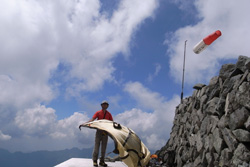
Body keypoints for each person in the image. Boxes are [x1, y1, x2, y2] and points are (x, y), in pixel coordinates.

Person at [79, 100, 113, 167]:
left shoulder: (109, 114)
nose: (105, 105)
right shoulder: (98, 113)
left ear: (107, 106)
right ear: (101, 105)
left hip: (105, 132)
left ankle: (102, 161)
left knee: (104, 148)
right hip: (99, 131)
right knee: (96, 147)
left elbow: (112, 123)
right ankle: (95, 161)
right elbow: (92, 120)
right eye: (103, 104)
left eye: (106, 104)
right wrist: (85, 124)